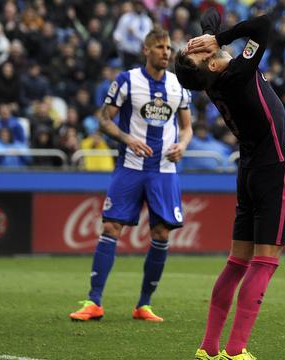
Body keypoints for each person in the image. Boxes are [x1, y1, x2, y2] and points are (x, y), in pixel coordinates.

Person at [175, 9, 285, 360]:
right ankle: (236, 349)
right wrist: (220, 38)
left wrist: (211, 36)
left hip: (247, 171)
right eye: (206, 52)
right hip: (275, 170)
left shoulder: (215, 79)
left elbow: (208, 14)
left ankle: (208, 347)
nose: (207, 48)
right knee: (265, 262)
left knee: (237, 262)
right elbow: (264, 24)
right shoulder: (239, 74)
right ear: (213, 65)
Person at [68, 28, 193, 323]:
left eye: (168, 48)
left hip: (164, 171)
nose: (166, 52)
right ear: (146, 51)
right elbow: (103, 120)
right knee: (111, 228)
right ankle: (94, 301)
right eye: (160, 47)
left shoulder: (179, 85)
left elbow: (186, 127)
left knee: (161, 233)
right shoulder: (127, 81)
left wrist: (183, 145)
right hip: (130, 168)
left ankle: (144, 305)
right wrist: (127, 139)